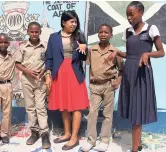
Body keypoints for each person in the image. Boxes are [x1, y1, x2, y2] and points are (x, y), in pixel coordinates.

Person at [108, 1, 165, 152]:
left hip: (142, 74)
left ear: (141, 12)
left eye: (131, 14)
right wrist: (118, 53)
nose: (129, 17)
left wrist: (147, 53)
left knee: (137, 113)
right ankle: (137, 144)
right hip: (129, 73)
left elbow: (161, 52)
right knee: (134, 109)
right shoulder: (127, 31)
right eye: (127, 14)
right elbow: (130, 54)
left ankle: (134, 149)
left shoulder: (151, 29)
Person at [45, 10, 89, 151]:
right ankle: (67, 133)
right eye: (71, 21)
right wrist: (48, 74)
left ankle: (74, 138)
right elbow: (49, 57)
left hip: (74, 74)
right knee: (64, 105)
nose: (74, 24)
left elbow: (84, 58)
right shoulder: (53, 38)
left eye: (75, 21)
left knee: (76, 106)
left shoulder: (79, 36)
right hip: (59, 74)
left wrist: (84, 48)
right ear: (64, 22)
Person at [81, 24, 123, 152]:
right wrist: (90, 82)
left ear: (111, 35)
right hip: (95, 86)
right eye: (101, 32)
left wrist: (118, 81)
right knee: (92, 113)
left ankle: (104, 140)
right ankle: (91, 141)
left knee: (107, 114)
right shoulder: (92, 50)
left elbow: (122, 69)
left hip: (109, 85)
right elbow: (89, 67)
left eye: (106, 32)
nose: (103, 34)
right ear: (98, 34)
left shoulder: (115, 51)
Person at [15, 22, 51, 149]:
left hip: (40, 81)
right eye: (32, 32)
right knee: (30, 107)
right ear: (28, 32)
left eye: (36, 32)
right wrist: (28, 71)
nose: (34, 34)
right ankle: (34, 132)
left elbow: (48, 61)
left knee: (41, 107)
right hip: (27, 80)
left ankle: (44, 134)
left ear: (40, 32)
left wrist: (44, 70)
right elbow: (17, 63)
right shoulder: (23, 46)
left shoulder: (45, 46)